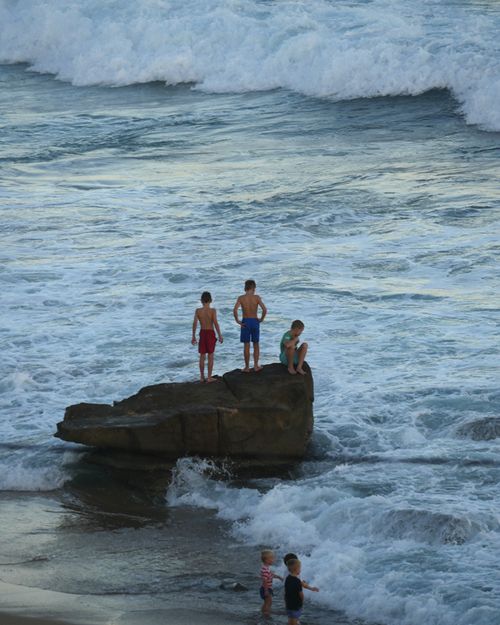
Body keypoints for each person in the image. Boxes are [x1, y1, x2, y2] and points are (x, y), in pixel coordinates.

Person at [233, 279, 267, 372]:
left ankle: (247, 367)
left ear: (246, 287)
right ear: (253, 287)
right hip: (255, 321)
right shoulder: (257, 298)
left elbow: (235, 310)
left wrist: (238, 321)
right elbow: (264, 309)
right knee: (256, 344)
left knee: (246, 345)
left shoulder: (241, 298)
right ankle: (256, 366)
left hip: (246, 322)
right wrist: (261, 319)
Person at [191, 291, 223, 382]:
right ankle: (209, 377)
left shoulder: (198, 311)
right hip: (210, 333)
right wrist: (220, 335)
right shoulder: (212, 311)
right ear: (211, 300)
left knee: (202, 355)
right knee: (210, 355)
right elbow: (216, 323)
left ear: (201, 301)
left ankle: (201, 377)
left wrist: (193, 336)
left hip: (202, 333)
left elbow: (195, 324)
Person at [284, 558, 319, 625]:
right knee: (293, 619)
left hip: (288, 603)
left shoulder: (288, 578)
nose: (300, 570)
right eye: (300, 568)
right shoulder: (296, 581)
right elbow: (301, 594)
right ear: (296, 569)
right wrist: (302, 602)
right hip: (296, 604)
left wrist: (311, 588)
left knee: (292, 618)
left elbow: (302, 584)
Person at [259, 549, 283, 616]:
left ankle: (263, 611)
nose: (273, 559)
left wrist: (278, 577)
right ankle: (266, 613)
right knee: (269, 602)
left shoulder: (266, 568)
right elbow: (265, 581)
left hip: (266, 588)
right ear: (267, 560)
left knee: (267, 602)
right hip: (265, 588)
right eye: (272, 558)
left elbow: (270, 575)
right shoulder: (265, 569)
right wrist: (266, 590)